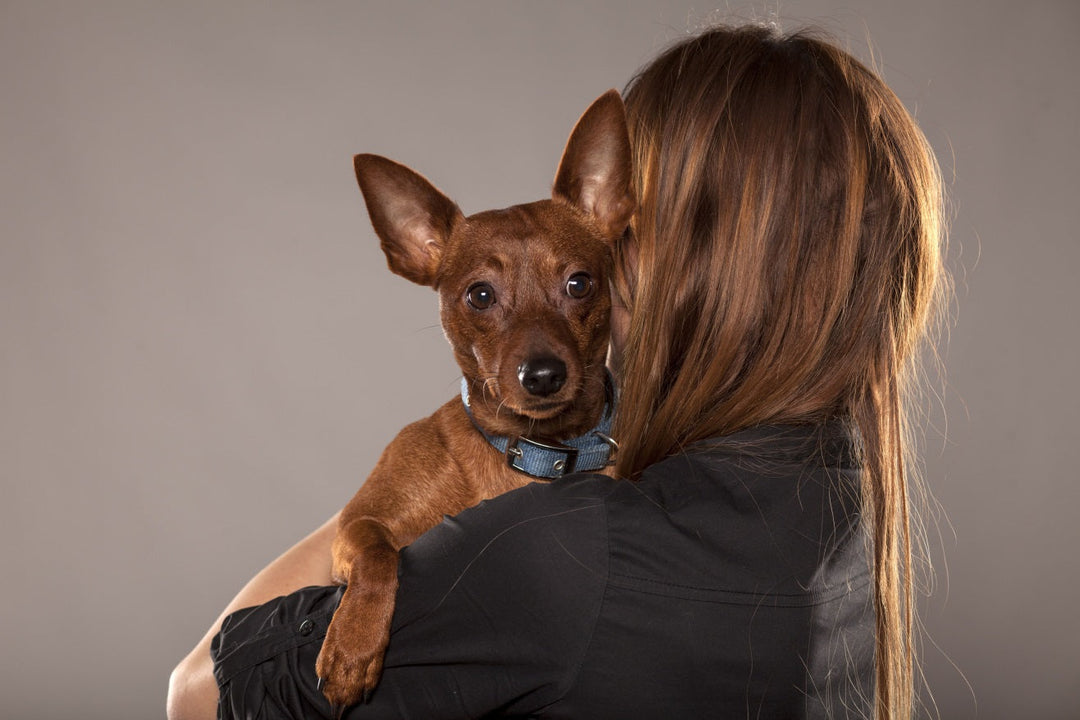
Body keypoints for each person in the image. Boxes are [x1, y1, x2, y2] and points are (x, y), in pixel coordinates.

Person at [167, 22, 946, 720]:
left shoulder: (561, 559)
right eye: (484, 298)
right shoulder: (855, 509)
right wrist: (403, 491)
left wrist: (401, 503)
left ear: (656, 252)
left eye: (584, 278)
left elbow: (199, 693)